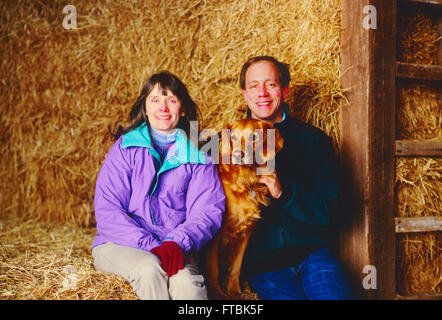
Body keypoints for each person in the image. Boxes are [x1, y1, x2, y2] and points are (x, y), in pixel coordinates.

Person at [91, 71, 226, 300]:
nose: (163, 108)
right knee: (149, 269)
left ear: (182, 108)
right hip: (120, 244)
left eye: (171, 100)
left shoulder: (199, 155)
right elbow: (108, 210)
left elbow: (206, 211)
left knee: (188, 285)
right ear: (145, 107)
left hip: (175, 246)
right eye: (155, 100)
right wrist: (150, 245)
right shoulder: (125, 149)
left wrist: (176, 242)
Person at [239, 56, 353, 299]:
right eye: (253, 85)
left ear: (286, 91)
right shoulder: (226, 143)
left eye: (271, 84)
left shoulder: (313, 140)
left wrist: (285, 193)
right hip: (264, 267)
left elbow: (334, 210)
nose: (262, 93)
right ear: (244, 95)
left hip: (314, 257)